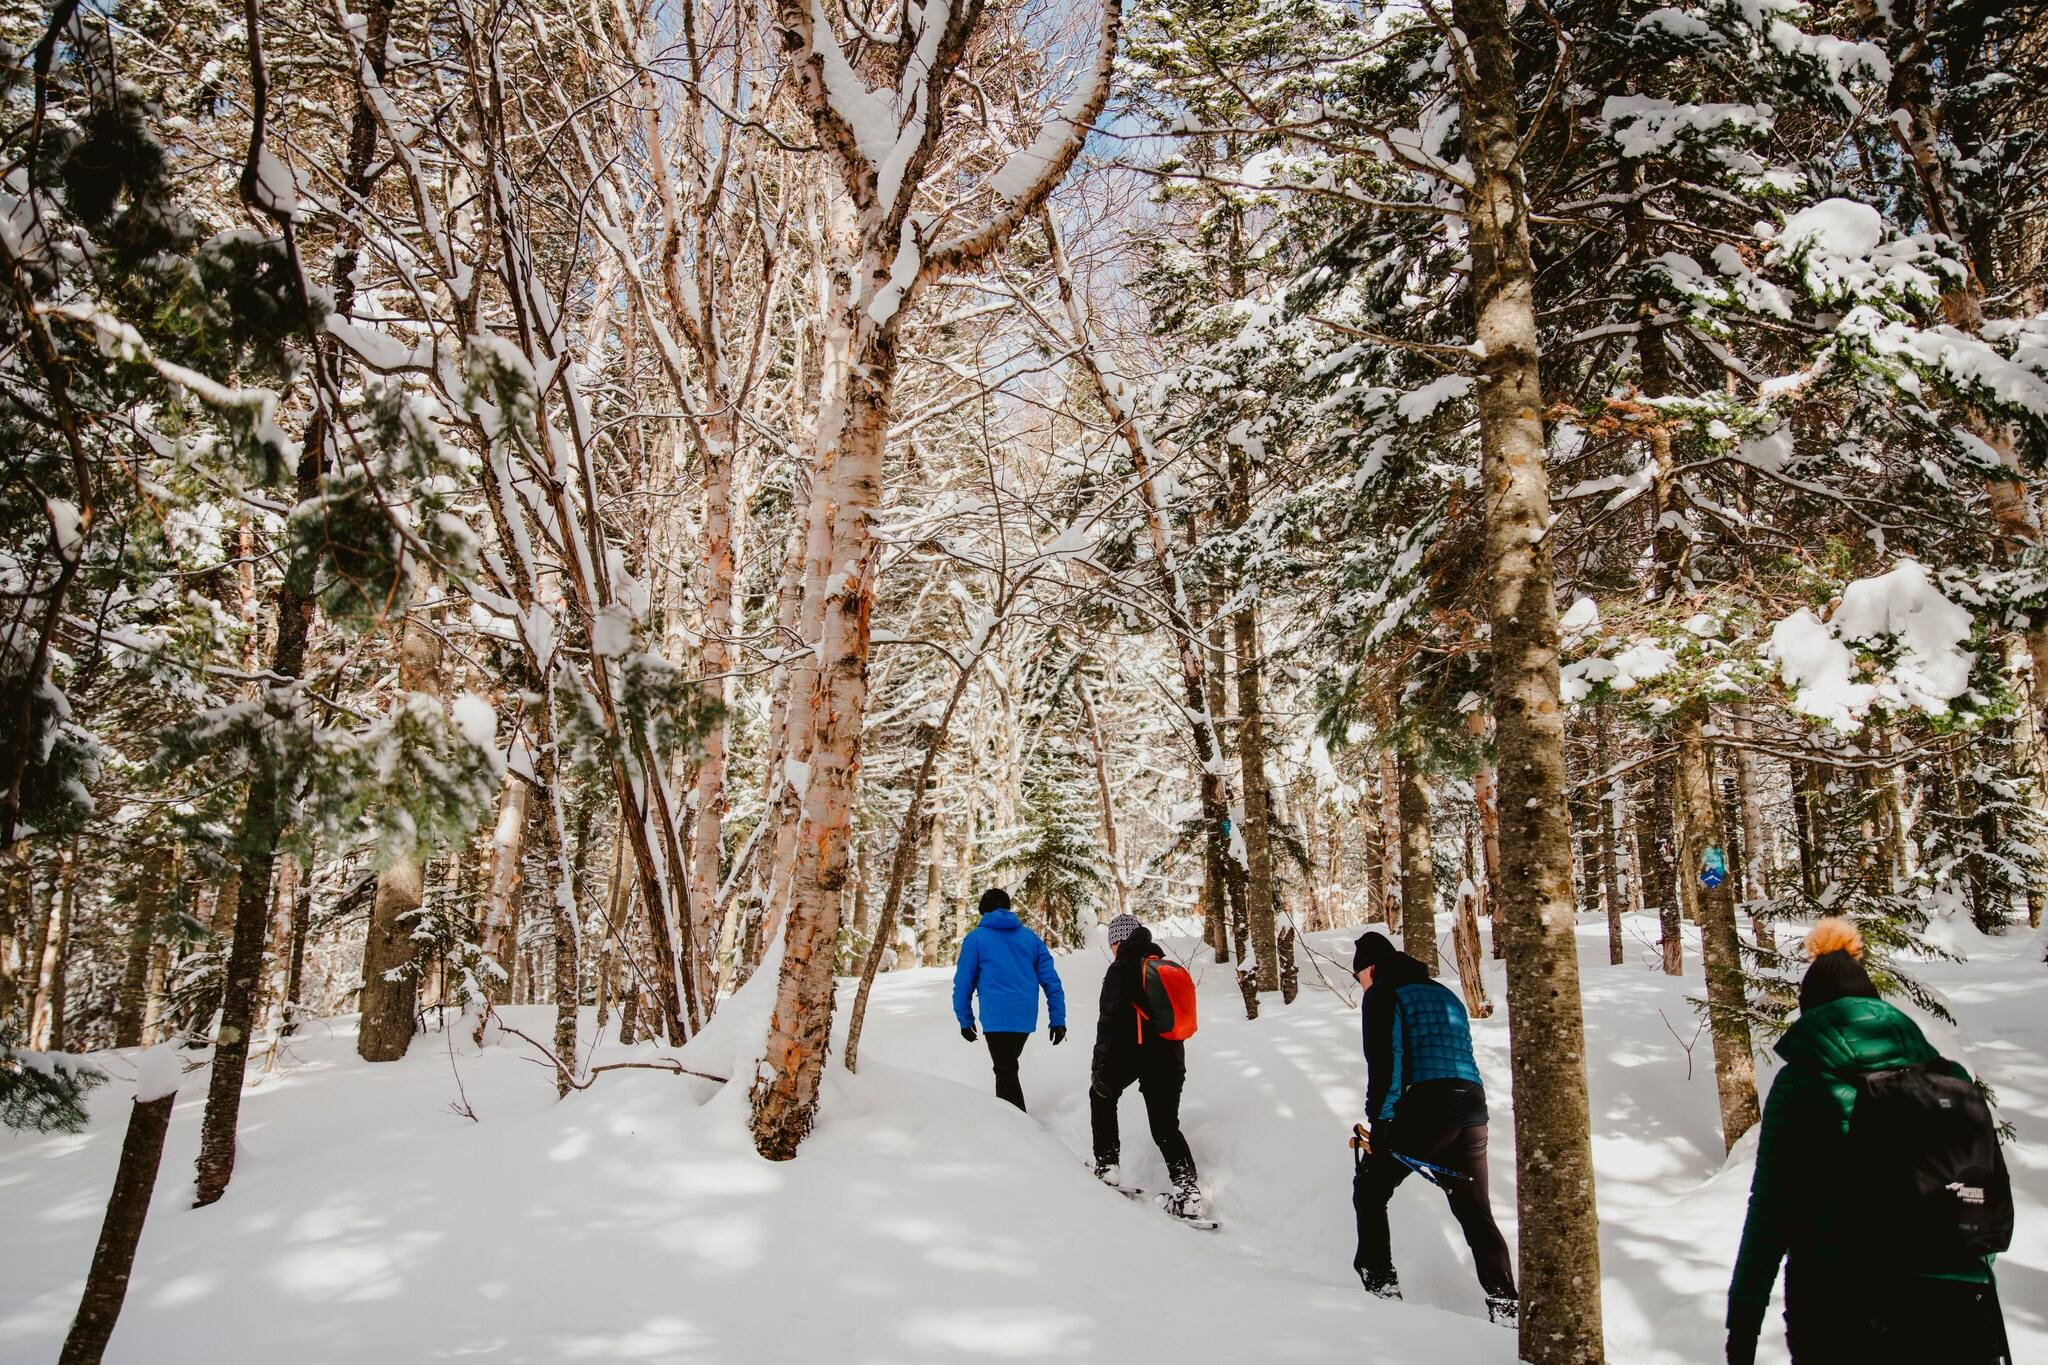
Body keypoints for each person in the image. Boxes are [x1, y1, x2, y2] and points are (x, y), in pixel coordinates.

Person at [1726, 918, 2012, 1365]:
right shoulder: (1946, 1077)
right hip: (1959, 1306)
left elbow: (1770, 1211)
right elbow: (1977, 1195)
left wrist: (1741, 1325)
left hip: (1845, 1308)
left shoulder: (1802, 1083)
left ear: (1812, 1010)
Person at [1350, 930, 1517, 1326]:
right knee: (1474, 1209)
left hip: (1427, 1105)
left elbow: (1386, 1063)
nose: (1361, 988)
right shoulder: (1444, 993)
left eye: (1359, 979)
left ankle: (1380, 1286)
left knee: (1370, 1189)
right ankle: (1506, 1303)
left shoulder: (1383, 993)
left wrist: (1382, 1122)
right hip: (1472, 1106)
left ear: (1370, 968)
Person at [1089, 914, 1204, 1218]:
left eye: (1113, 941)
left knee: (1101, 1095)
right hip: (1170, 1056)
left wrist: (1100, 1063)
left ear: (1118, 940)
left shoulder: (1121, 967)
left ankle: (1107, 1165)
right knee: (1166, 1126)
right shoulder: (1163, 963)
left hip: (1131, 1053)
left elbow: (1110, 1020)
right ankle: (1188, 1190)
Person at [952, 887, 1066, 1110]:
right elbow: (1052, 982)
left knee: (1004, 1069)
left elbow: (963, 983)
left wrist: (965, 1020)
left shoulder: (975, 939)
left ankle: (1018, 1129)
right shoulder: (1030, 939)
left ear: (983, 911)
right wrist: (1058, 1019)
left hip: (995, 1017)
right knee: (1006, 1067)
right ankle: (1013, 1124)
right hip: (1024, 1018)